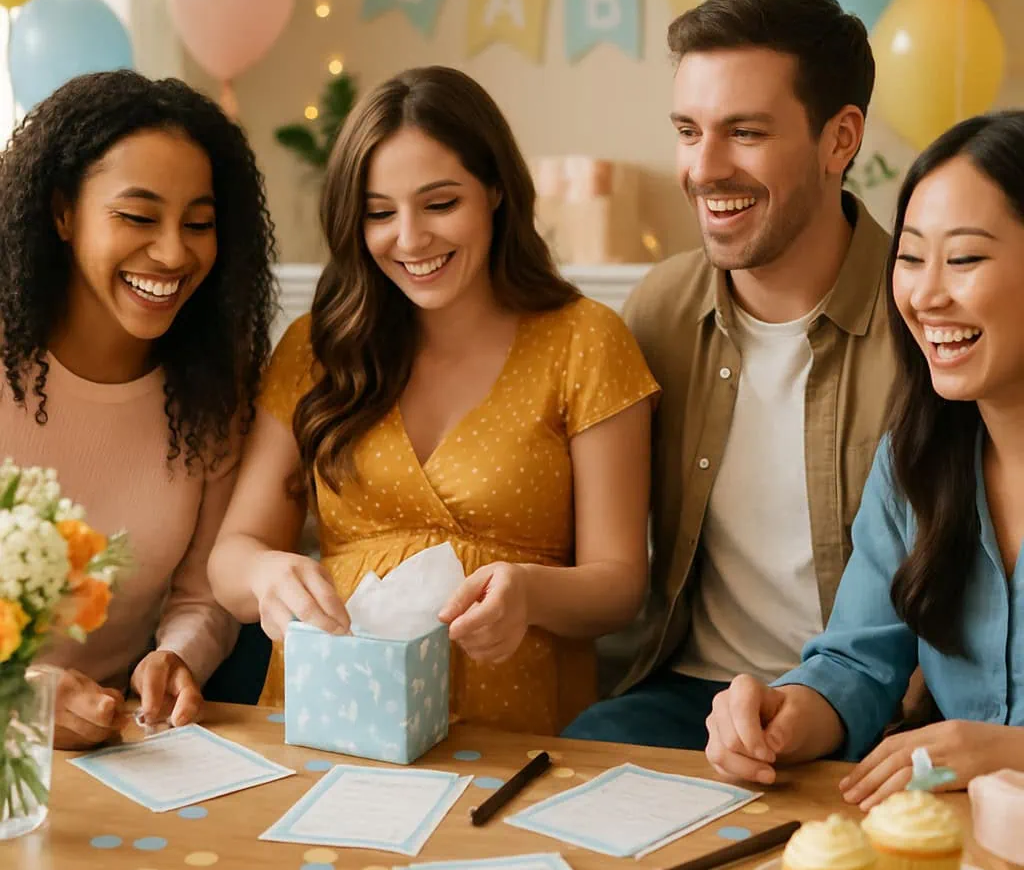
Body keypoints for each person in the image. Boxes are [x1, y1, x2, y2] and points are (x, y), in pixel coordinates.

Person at [208, 65, 658, 735]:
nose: (411, 238)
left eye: (440, 203)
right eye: (379, 213)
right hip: (335, 719)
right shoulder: (316, 349)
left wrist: (529, 592)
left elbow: (619, 586)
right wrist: (266, 573)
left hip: (515, 729)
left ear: (496, 191)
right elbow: (230, 558)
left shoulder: (586, 341)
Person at [563, 0, 895, 748]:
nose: (704, 168)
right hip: (690, 695)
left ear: (840, 140)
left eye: (744, 132)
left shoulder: (925, 320)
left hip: (881, 709)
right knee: (573, 760)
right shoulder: (657, 311)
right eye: (688, 130)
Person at [705, 111, 1024, 808]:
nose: (926, 295)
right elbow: (859, 661)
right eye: (910, 258)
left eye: (964, 259)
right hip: (949, 841)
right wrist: (781, 718)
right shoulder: (915, 461)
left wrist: (1008, 752)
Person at [0, 70, 277, 749]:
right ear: (63, 213)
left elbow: (203, 592)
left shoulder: (214, 394)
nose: (174, 252)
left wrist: (178, 656)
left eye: (199, 224)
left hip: (122, 746)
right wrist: (16, 698)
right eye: (138, 217)